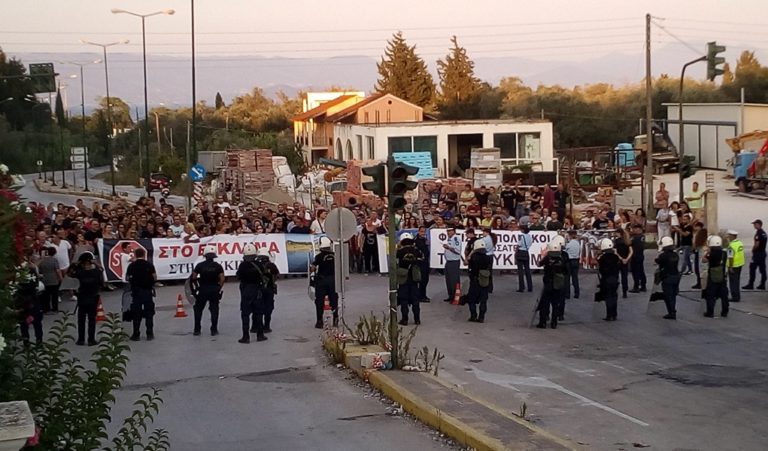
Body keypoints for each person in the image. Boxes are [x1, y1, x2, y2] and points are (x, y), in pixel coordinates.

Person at [190, 244, 225, 336]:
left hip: (203, 289)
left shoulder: (200, 265)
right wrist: (218, 288)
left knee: (198, 309)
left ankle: (197, 329)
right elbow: (222, 279)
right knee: (214, 309)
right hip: (214, 289)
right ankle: (214, 329)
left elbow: (193, 277)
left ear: (205, 255)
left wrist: (196, 287)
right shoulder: (218, 266)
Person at [70, 252, 103, 346]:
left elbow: (70, 274)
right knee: (92, 319)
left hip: (82, 298)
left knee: (81, 319)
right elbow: (101, 270)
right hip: (93, 297)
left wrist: (76, 264)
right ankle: (91, 339)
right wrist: (95, 263)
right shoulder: (96, 272)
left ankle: (81, 339)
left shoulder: (79, 273)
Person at [236, 244, 267, 343]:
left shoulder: (242, 265)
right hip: (257, 290)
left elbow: (239, 276)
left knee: (245, 314)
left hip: (246, 290)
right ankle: (260, 334)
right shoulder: (259, 264)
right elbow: (264, 275)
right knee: (258, 313)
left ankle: (246, 336)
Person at [125, 248, 157, 341]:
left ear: (135, 254)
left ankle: (136, 333)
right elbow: (155, 277)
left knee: (136, 313)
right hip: (147, 292)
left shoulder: (131, 266)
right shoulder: (149, 265)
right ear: (144, 254)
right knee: (149, 312)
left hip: (136, 292)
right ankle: (149, 333)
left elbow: (127, 278)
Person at [537, 241, 567, 329]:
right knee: (555, 304)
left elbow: (539, 264)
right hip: (558, 283)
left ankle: (542, 322)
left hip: (548, 283)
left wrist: (542, 256)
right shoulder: (561, 258)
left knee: (545, 304)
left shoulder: (547, 258)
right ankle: (554, 323)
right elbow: (566, 271)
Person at [395, 233, 423, 326]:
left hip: (403, 277)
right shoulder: (417, 251)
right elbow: (422, 260)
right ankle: (417, 319)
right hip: (414, 277)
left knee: (404, 300)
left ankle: (405, 319)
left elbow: (395, 263)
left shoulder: (399, 251)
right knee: (415, 300)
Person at [310, 237, 338, 328]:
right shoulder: (335, 255)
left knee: (319, 301)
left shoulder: (318, 256)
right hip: (333, 280)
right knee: (334, 300)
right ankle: (336, 319)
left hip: (321, 280)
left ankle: (319, 321)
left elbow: (313, 268)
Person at [702, 235, 729, 318]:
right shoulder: (724, 253)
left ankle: (710, 312)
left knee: (710, 295)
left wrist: (707, 252)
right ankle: (725, 311)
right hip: (722, 276)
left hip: (713, 277)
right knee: (724, 295)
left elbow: (704, 260)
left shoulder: (711, 253)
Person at [466, 239, 492, 323]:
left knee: (471, 299)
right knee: (483, 300)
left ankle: (473, 315)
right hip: (484, 281)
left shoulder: (473, 257)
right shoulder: (488, 258)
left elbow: (468, 263)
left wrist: (471, 253)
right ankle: (481, 317)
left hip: (475, 280)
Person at [656, 236, 681, 320]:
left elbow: (658, 262)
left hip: (667, 277)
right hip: (676, 276)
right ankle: (673, 310)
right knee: (673, 295)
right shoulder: (675, 254)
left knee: (668, 296)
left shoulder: (663, 255)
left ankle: (671, 312)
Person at [256, 247, 280, 333]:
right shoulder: (271, 265)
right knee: (268, 308)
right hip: (269, 289)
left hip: (258, 289)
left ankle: (256, 326)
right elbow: (277, 275)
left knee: (257, 308)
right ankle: (266, 326)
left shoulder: (256, 265)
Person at [597, 238, 620, 321]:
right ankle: (614, 314)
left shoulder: (602, 258)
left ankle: (609, 315)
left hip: (606, 279)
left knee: (608, 297)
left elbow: (600, 269)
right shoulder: (615, 257)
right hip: (615, 278)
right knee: (614, 296)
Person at [743, 219, 766, 290]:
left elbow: (757, 244)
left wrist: (753, 249)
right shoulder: (764, 233)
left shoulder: (758, 233)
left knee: (752, 268)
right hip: (763, 253)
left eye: (755, 224)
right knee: (763, 270)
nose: (754, 226)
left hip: (758, 254)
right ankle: (762, 284)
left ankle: (751, 284)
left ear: (758, 225)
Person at [38, 246, 62, 313]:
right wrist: (60, 278)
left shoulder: (42, 261)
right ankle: (55, 309)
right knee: (55, 295)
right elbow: (58, 270)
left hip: (45, 279)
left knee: (46, 296)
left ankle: (47, 309)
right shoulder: (54, 260)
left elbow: (39, 270)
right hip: (54, 280)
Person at [442, 226, 462, 303]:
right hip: (448, 261)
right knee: (448, 280)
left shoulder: (456, 238)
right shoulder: (450, 239)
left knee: (454, 280)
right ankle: (450, 296)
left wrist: (448, 247)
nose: (448, 233)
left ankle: (455, 297)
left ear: (454, 231)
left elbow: (457, 250)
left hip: (454, 261)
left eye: (450, 231)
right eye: (447, 231)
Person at [614, 228, 633, 298]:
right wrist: (627, 259)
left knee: (616, 276)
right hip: (625, 261)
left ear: (619, 233)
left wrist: (621, 258)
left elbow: (615, 252)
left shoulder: (616, 241)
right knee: (624, 277)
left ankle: (615, 290)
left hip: (618, 261)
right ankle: (625, 292)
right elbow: (631, 251)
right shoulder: (627, 241)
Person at [726, 230, 744, 302]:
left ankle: (735, 297)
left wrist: (730, 266)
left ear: (732, 236)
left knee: (733, 282)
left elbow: (730, 257)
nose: (728, 237)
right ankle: (737, 296)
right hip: (740, 264)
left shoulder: (731, 246)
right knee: (737, 281)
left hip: (733, 265)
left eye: (729, 235)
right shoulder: (739, 243)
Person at [628, 224, 647, 293]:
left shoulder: (636, 237)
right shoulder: (642, 237)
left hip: (635, 256)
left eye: (634, 229)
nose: (633, 230)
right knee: (641, 270)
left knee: (635, 271)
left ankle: (636, 286)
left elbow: (629, 243)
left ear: (638, 229)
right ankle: (643, 285)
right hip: (640, 255)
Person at [414, 227, 431, 303]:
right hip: (420, 263)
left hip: (425, 262)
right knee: (422, 280)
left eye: (424, 232)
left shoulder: (424, 239)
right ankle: (421, 296)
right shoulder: (416, 240)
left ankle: (422, 295)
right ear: (418, 231)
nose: (423, 233)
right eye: (421, 231)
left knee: (425, 280)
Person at [516, 225, 533, 292]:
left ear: (522, 230)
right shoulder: (529, 236)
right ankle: (530, 287)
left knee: (520, 271)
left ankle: (521, 287)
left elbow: (519, 244)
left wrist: (516, 252)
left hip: (520, 252)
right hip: (526, 252)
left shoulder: (521, 236)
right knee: (527, 270)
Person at [564, 230, 581, 299]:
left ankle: (567, 294)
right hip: (576, 260)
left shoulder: (569, 244)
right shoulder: (577, 243)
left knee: (567, 278)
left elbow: (565, 251)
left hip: (569, 261)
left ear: (570, 236)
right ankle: (577, 293)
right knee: (575, 278)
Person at [481, 227, 496, 294]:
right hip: (491, 256)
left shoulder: (484, 239)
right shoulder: (492, 238)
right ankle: (490, 287)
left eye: (483, 232)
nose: (482, 233)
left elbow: (482, 248)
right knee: (490, 272)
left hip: (486, 256)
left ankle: (485, 286)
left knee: (485, 272)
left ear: (487, 232)